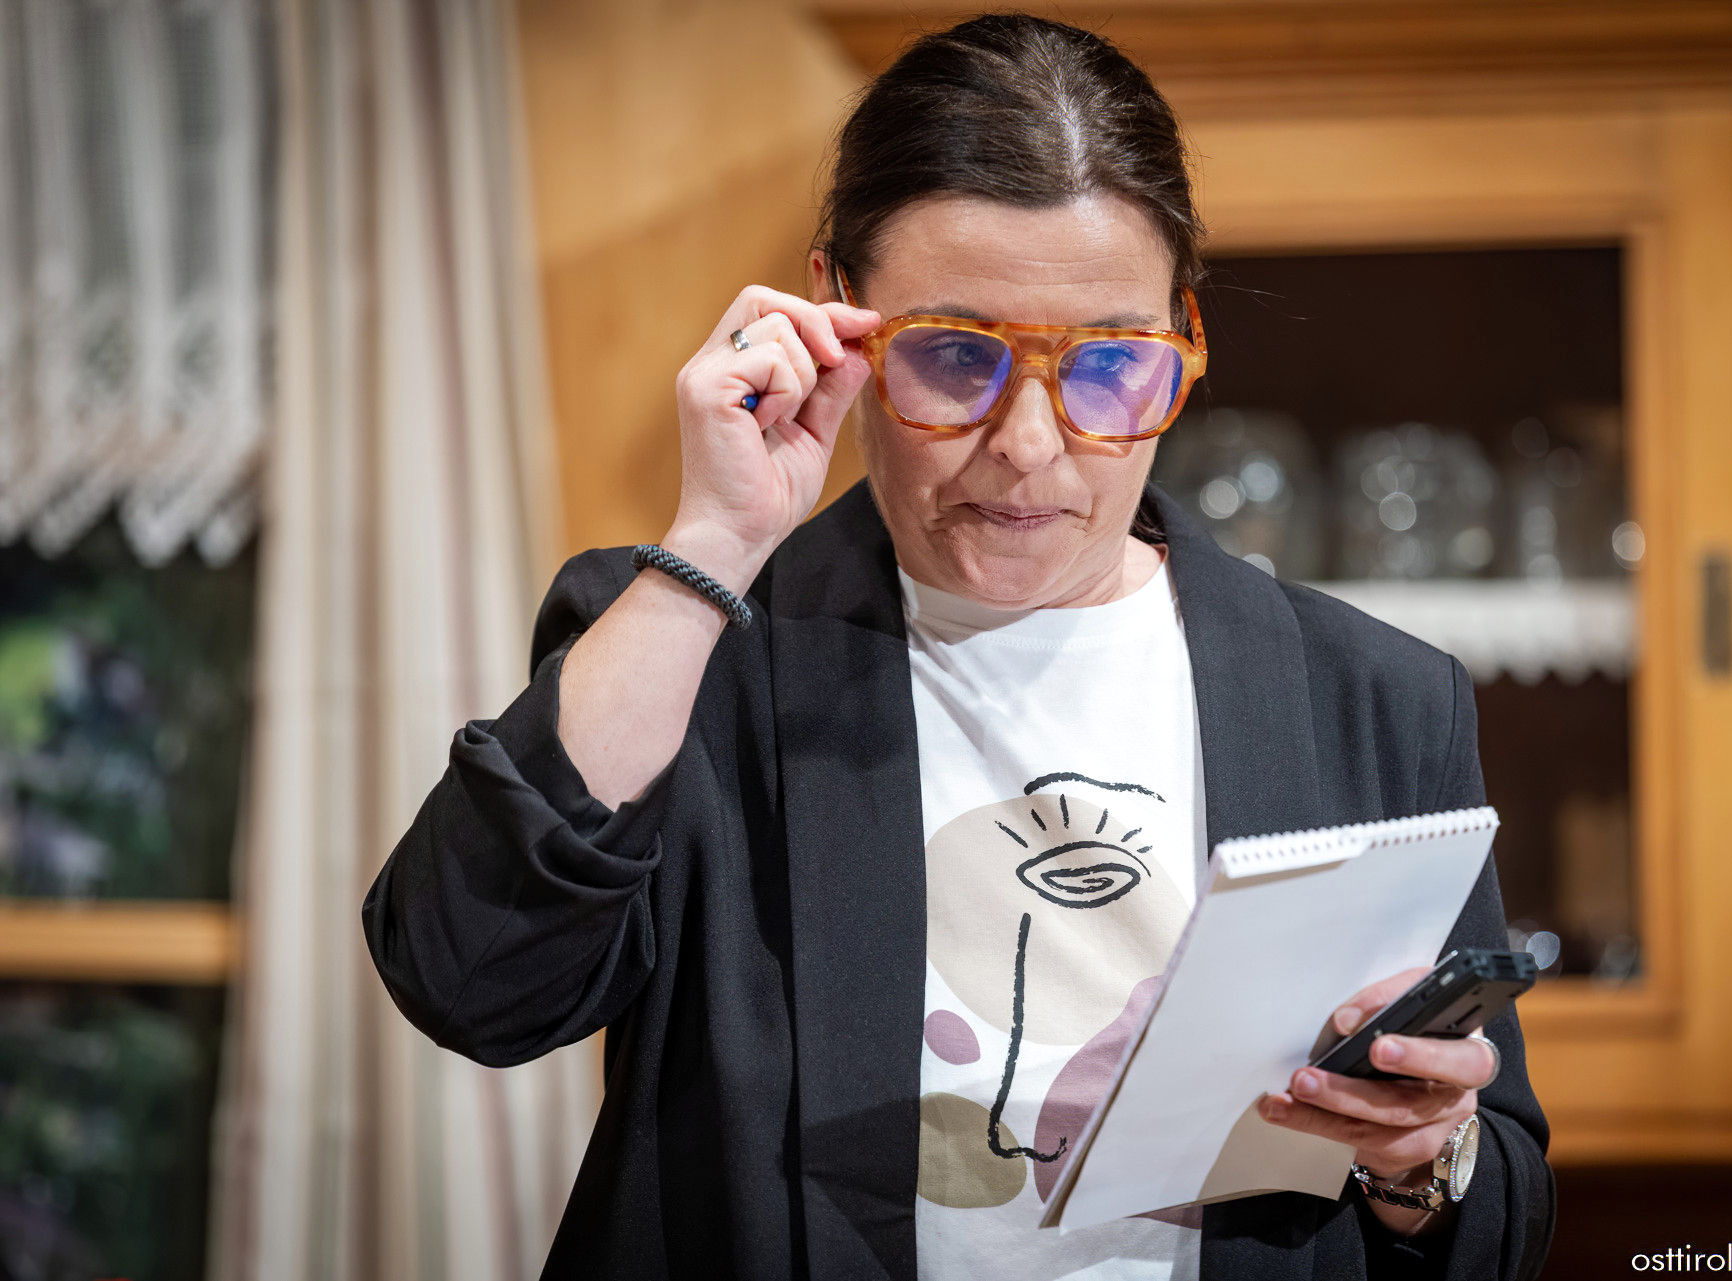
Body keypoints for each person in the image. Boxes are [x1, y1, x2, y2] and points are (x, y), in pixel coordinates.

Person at [362, 12, 1554, 1280]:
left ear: (1183, 340)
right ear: (834, 317)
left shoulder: (1371, 699)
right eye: (952, 356)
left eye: (1110, 364)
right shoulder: (694, 651)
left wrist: (1420, 1157)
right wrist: (715, 542)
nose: (1030, 445)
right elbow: (469, 984)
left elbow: (1503, 1220)